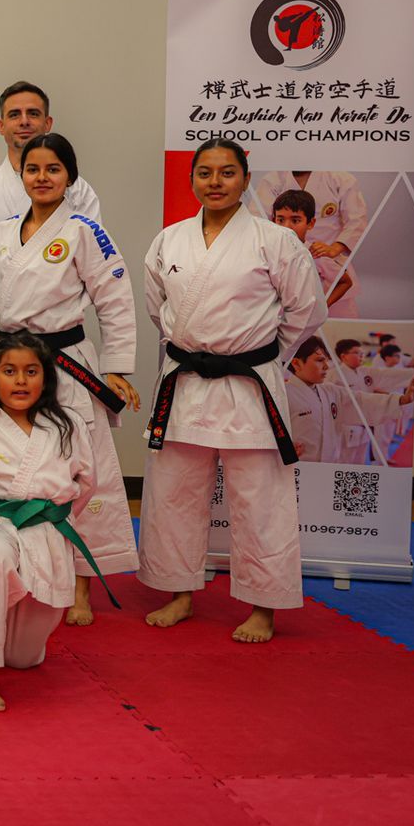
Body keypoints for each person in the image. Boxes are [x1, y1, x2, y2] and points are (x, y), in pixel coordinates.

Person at [139, 139, 327, 644]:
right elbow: (159, 309)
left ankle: (263, 605)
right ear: (193, 180)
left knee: (260, 498)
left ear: (246, 179)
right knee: (174, 493)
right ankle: (179, 592)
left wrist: (259, 354)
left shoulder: (276, 241)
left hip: (248, 381)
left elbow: (307, 310)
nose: (215, 182)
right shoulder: (169, 241)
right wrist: (199, 350)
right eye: (205, 173)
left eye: (227, 172)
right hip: (186, 381)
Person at [0, 133, 140, 625]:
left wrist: (116, 367)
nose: (43, 177)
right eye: (33, 169)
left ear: (69, 175)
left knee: (83, 471)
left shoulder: (84, 230)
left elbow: (114, 299)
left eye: (53, 168)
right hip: (11, 362)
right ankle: (22, 573)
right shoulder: (2, 233)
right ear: (21, 174)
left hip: (66, 361)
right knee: (16, 467)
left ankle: (82, 585)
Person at [0, 333, 97, 712]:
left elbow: (87, 483)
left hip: (45, 528)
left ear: (46, 379)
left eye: (31, 371)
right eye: (10, 371)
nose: (21, 380)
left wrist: (53, 517)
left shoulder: (68, 426)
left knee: (25, 658)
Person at [0, 82, 103, 248]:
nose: (24, 121)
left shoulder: (79, 191)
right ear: (1, 126)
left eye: (33, 114)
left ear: (48, 123)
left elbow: (93, 254)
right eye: (14, 115)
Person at [251, 169, 368, 267]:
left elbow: (357, 220)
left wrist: (335, 249)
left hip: (330, 260)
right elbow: (257, 223)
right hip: (284, 260)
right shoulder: (272, 180)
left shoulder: (340, 179)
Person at [269, 189, 357, 313]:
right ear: (274, 221)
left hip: (303, 322)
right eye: (281, 220)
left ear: (310, 223)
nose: (286, 227)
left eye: (295, 220)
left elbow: (345, 282)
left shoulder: (315, 254)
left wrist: (323, 307)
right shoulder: (268, 251)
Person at [285, 335, 353, 465]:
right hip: (297, 470)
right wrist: (281, 447)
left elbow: (361, 401)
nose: (327, 366)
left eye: (326, 360)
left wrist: (399, 400)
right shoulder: (282, 394)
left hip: (330, 466)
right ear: (297, 363)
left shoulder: (330, 390)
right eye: (320, 360)